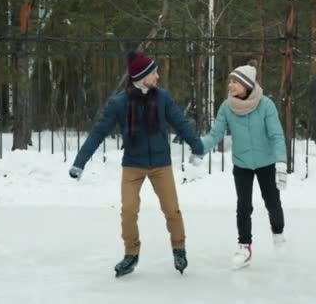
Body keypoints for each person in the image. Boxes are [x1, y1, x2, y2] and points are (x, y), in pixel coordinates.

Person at [69, 51, 204, 277]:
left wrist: (197, 146)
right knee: (129, 210)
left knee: (172, 209)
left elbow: (181, 123)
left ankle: (179, 249)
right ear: (143, 76)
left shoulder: (162, 98)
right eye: (154, 72)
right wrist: (79, 163)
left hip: (160, 163)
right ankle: (131, 253)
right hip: (133, 164)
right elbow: (98, 132)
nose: (158, 76)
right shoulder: (119, 103)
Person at [199, 64, 287, 269]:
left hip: (266, 163)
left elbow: (276, 135)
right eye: (230, 81)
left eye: (235, 82)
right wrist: (198, 148)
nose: (230, 85)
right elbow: (215, 134)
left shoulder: (266, 105)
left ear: (246, 84)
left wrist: (281, 161)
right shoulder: (227, 107)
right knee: (243, 206)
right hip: (242, 164)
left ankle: (278, 233)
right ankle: (244, 247)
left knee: (272, 202)